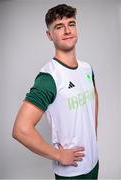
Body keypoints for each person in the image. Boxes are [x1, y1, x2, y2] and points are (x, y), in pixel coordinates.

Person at [12, 4, 99, 179]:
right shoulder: (48, 78)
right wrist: (59, 155)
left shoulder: (87, 68)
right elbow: (21, 129)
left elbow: (94, 97)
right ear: (49, 35)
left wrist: (92, 136)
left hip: (93, 161)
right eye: (59, 27)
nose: (67, 30)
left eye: (71, 23)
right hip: (72, 171)